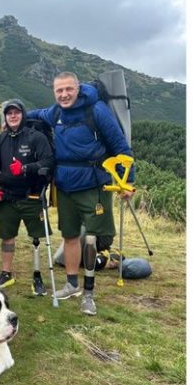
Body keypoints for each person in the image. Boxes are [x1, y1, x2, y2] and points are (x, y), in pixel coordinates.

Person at [26, 72, 134, 315]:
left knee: (92, 239)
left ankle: (89, 294)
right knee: (70, 236)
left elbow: (120, 146)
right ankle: (72, 284)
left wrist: (128, 182)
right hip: (65, 186)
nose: (64, 94)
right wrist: (14, 115)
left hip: (93, 185)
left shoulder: (96, 110)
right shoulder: (56, 112)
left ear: (78, 89)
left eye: (68, 89)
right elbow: (37, 114)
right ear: (54, 92)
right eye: (59, 90)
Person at [0, 99, 54, 294]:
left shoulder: (36, 137)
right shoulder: (1, 139)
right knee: (7, 236)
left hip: (32, 196)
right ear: (5, 117)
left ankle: (37, 276)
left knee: (36, 237)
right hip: (7, 197)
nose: (13, 116)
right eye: (9, 113)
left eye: (16, 112)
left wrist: (25, 168)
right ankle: (6, 273)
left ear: (23, 114)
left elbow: (48, 161)